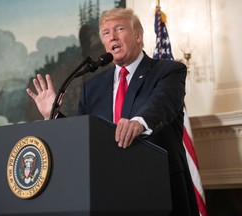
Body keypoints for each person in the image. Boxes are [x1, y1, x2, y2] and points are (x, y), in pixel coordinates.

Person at [26, 7, 199, 216]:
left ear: (138, 36)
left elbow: (162, 103)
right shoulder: (93, 86)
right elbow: (83, 135)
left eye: (119, 29)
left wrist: (138, 122)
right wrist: (52, 115)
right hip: (110, 193)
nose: (112, 37)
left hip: (159, 187)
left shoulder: (168, 71)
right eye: (106, 33)